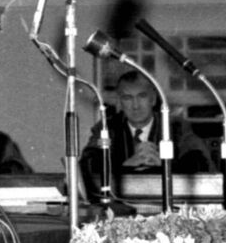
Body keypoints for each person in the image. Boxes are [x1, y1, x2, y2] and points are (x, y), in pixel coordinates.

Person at [79, 70, 214, 192]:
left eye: (142, 96)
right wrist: (125, 166)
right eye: (127, 98)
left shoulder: (176, 126)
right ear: (119, 102)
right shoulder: (107, 128)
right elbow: (86, 166)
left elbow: (201, 164)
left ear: (153, 99)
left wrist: (164, 165)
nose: (135, 105)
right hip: (120, 204)